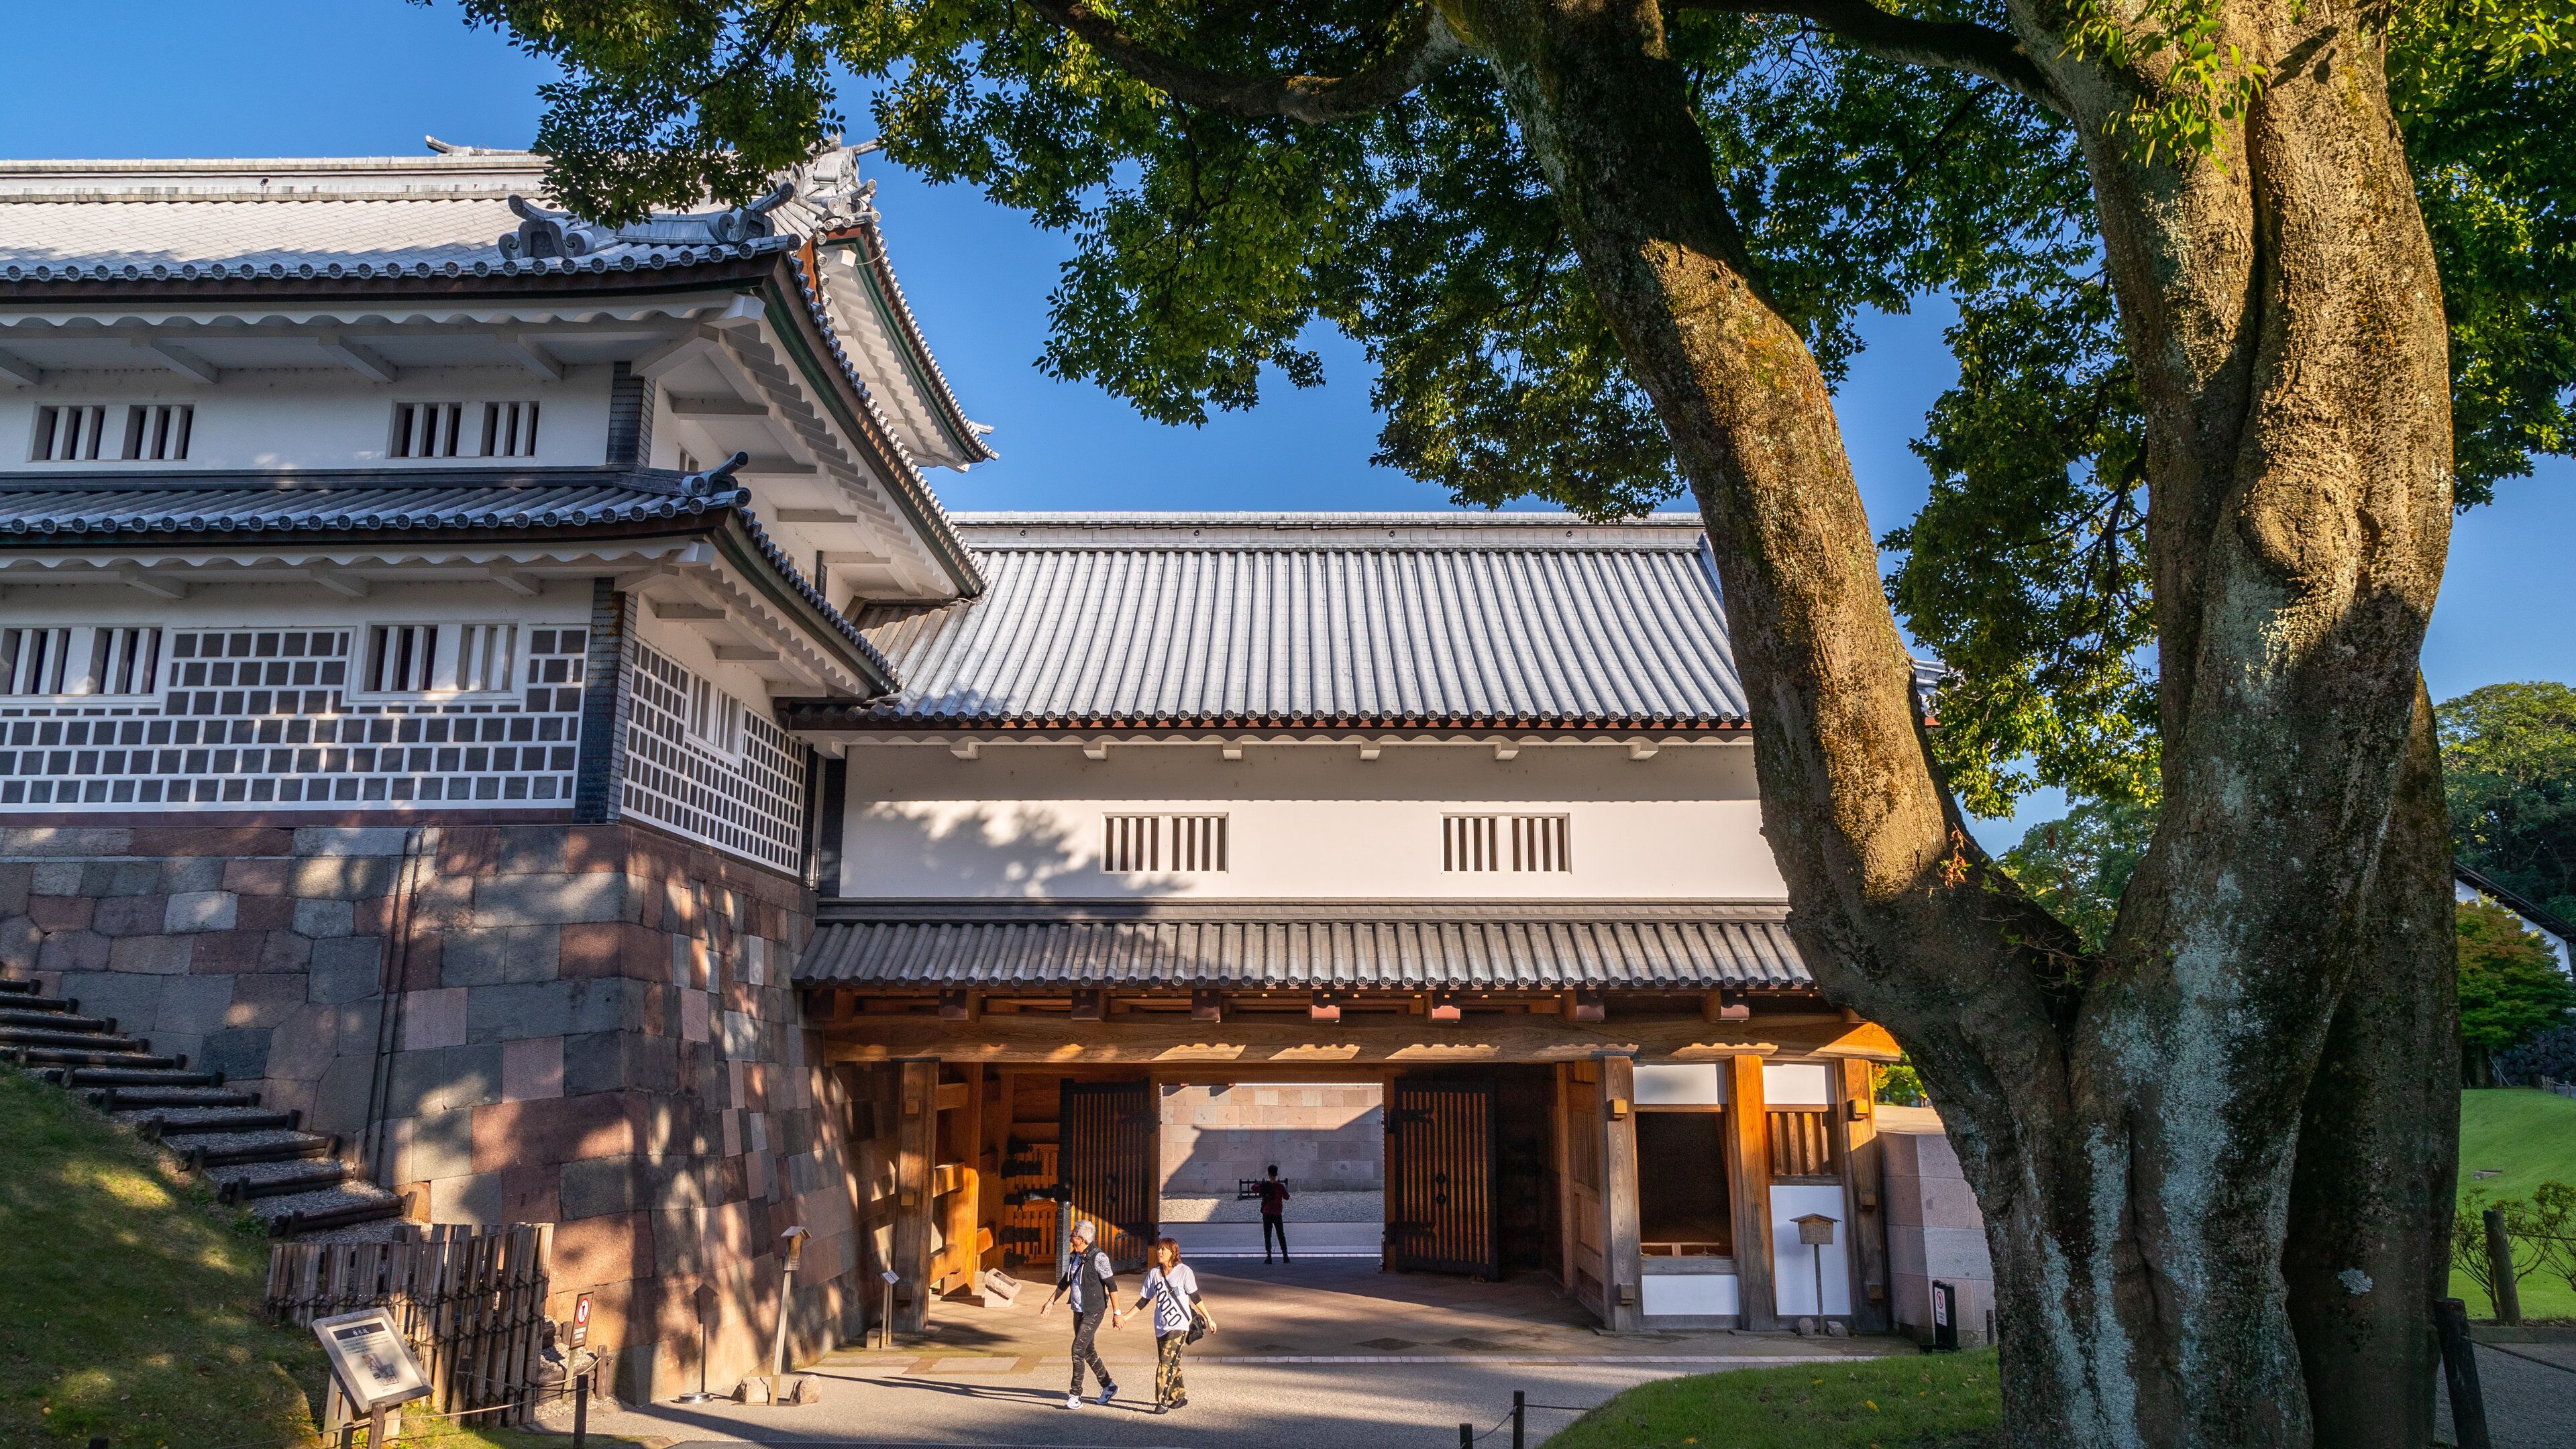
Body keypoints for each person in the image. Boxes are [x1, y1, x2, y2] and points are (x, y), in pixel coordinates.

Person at [1036, 1220, 1124, 1409]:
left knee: (1077, 1349)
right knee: (1087, 1350)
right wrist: (1050, 1302)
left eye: (1073, 1236)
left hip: (1094, 1311)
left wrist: (1117, 1313)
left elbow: (1112, 1286)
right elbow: (1065, 1282)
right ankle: (1108, 1386)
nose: (1070, 1238)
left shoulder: (1099, 1258)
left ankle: (1075, 1395)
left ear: (1082, 1240)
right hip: (1078, 1310)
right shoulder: (1075, 1256)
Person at [1136, 1236, 1214, 1413]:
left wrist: (1209, 1318)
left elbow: (1195, 1297)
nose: (1159, 1252)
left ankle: (1162, 1402)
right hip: (1161, 1325)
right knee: (1172, 1362)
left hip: (1180, 1325)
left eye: (1164, 1249)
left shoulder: (1184, 1271)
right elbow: (1144, 1300)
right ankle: (1180, 1396)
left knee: (1165, 1363)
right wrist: (1125, 1317)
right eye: (1159, 1248)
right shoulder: (1154, 1274)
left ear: (1173, 1252)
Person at [1256, 1163, 1293, 1264]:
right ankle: (1285, 1256)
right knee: (1281, 1234)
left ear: (1268, 1174)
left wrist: (1261, 1183)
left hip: (1267, 1213)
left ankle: (1269, 1256)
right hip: (1277, 1213)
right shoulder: (1280, 1186)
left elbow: (1254, 1188)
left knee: (1267, 1235)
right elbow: (1287, 1197)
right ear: (1276, 1174)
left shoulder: (1264, 1185)